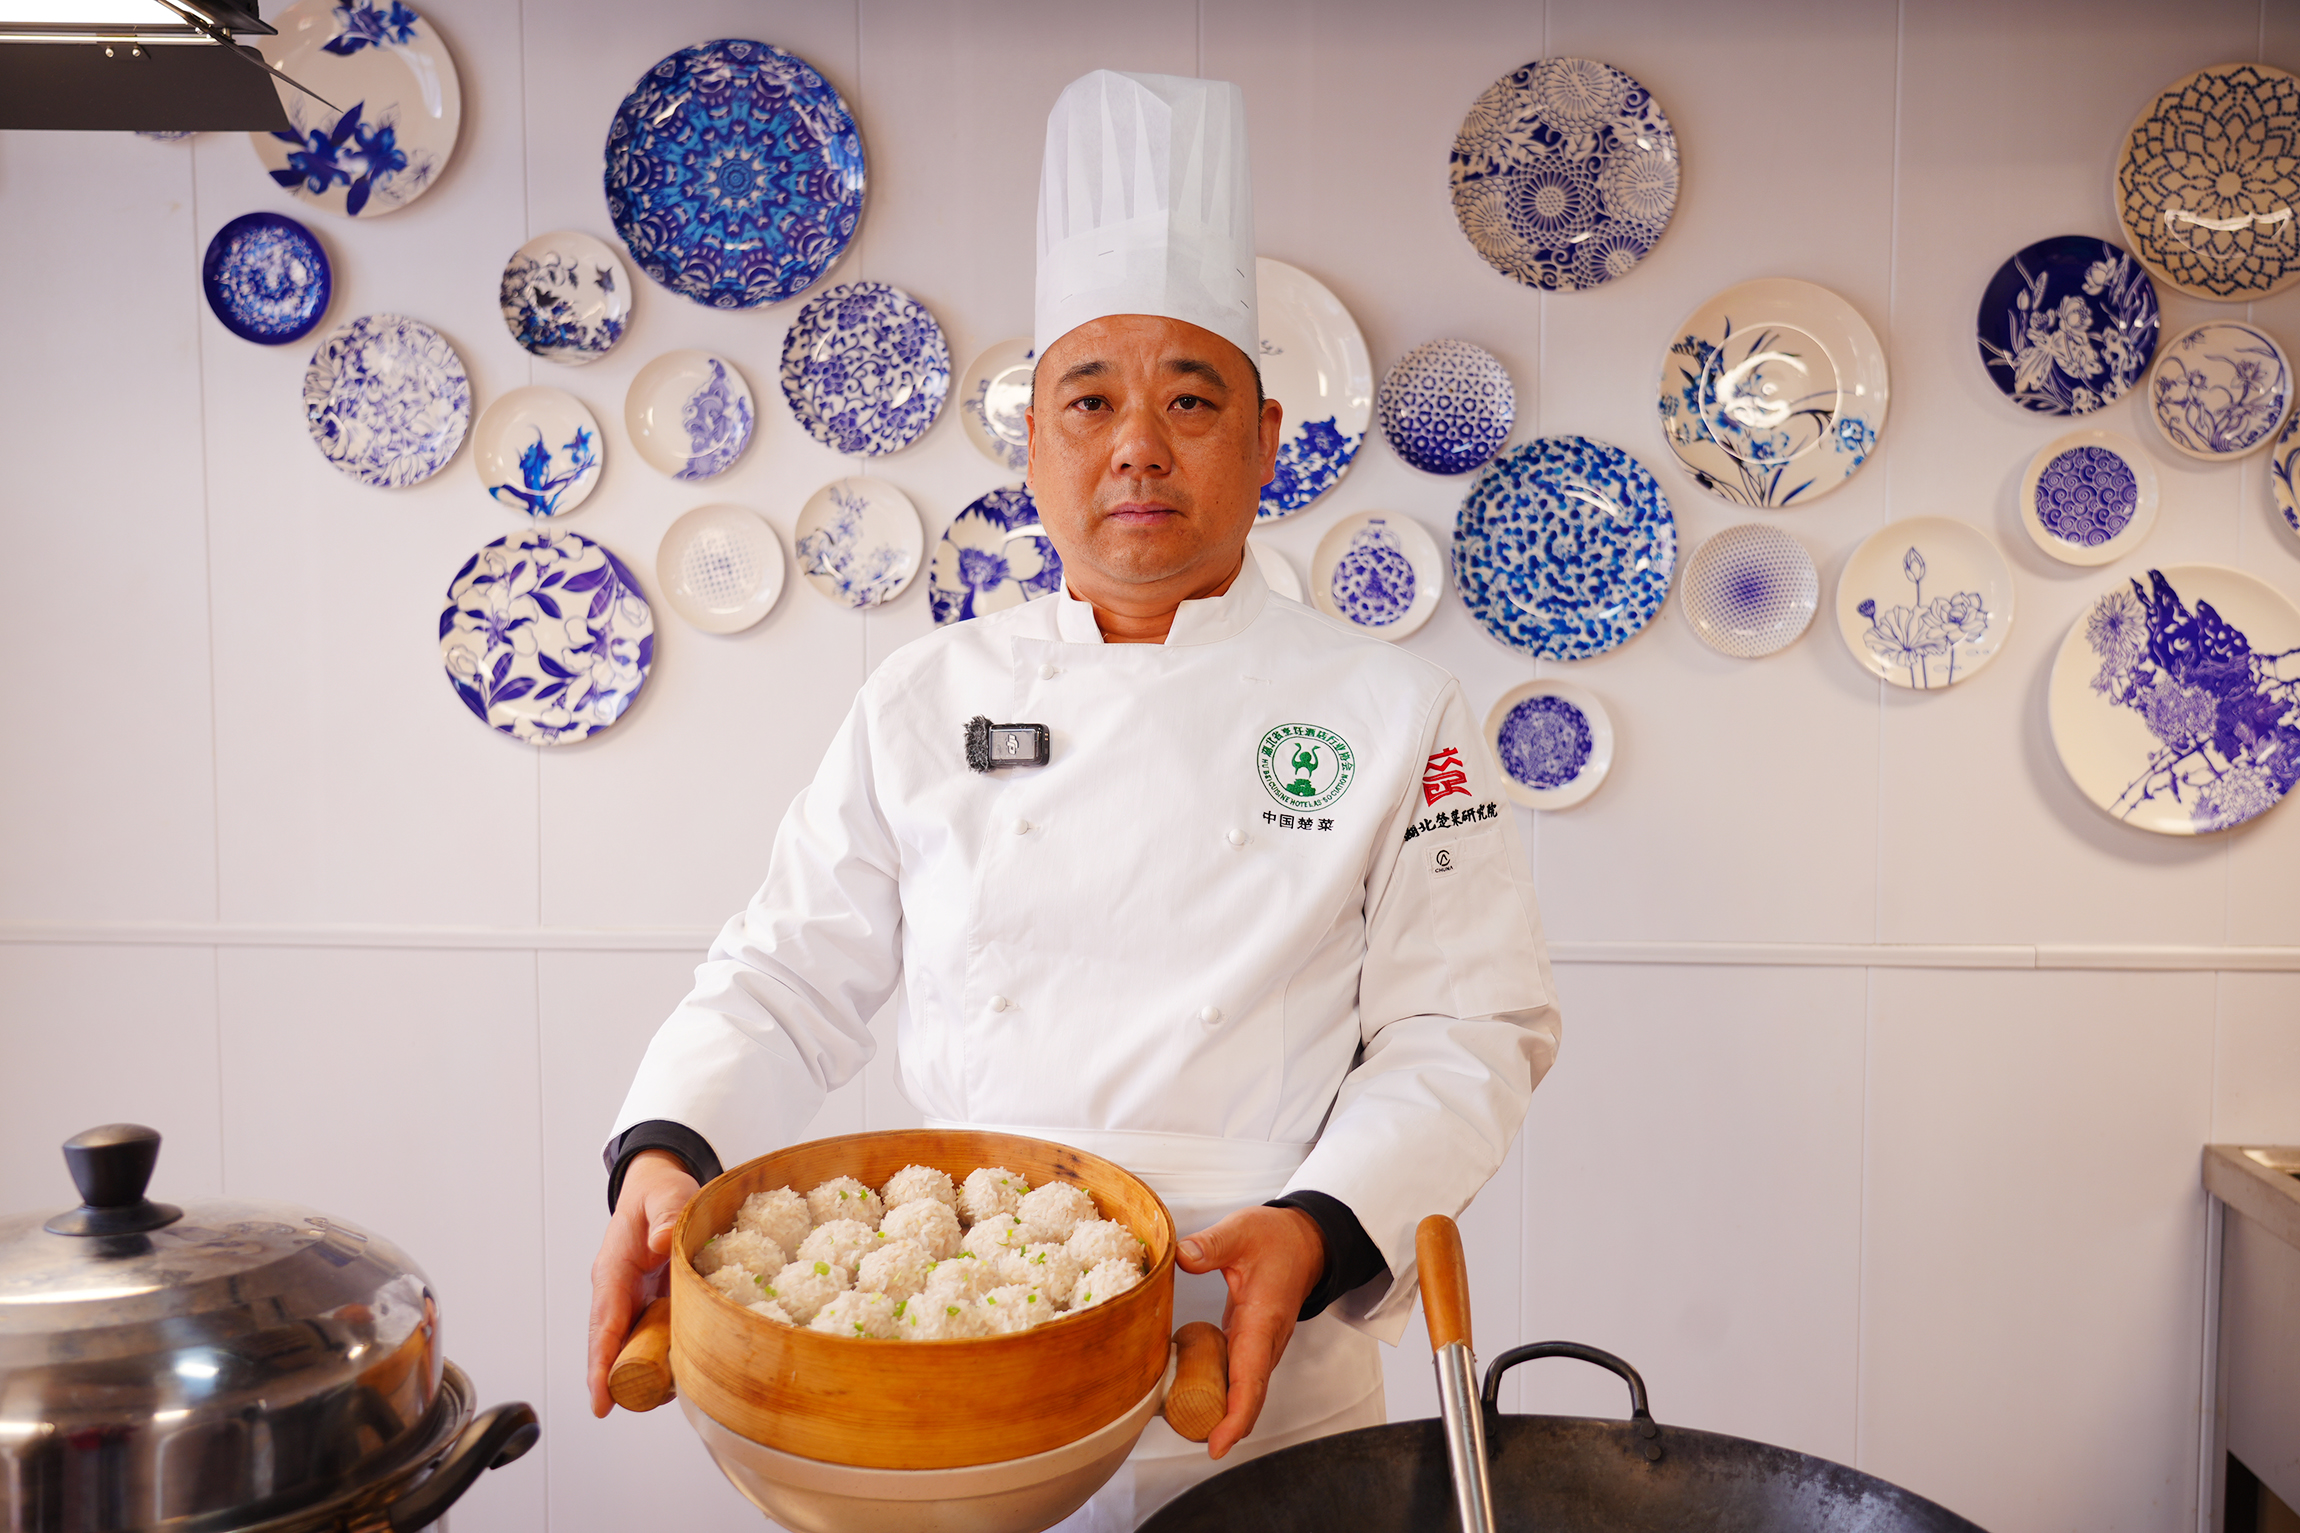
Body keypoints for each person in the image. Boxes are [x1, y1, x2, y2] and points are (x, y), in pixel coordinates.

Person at [586, 69, 1561, 1528]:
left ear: (1267, 440)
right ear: (1034, 442)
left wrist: (1318, 1227)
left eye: (1191, 401)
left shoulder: (1393, 708)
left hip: (1255, 1367)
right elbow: (785, 975)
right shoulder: (922, 697)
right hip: (952, 1360)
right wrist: (669, 1146)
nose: (1138, 445)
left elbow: (1467, 1028)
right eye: (1091, 400)